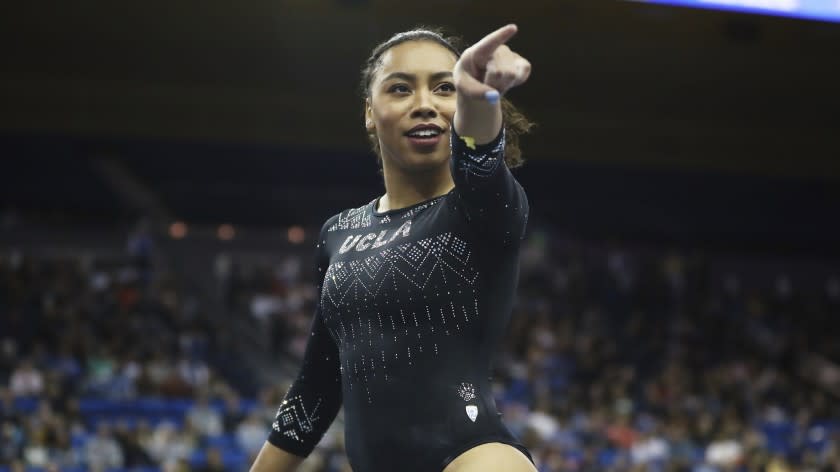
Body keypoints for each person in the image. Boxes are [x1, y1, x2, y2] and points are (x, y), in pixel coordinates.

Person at [251, 23, 536, 472]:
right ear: (370, 111)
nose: (424, 105)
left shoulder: (479, 212)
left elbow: (481, 164)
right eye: (400, 89)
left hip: (475, 457)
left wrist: (479, 98)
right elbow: (318, 385)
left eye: (444, 88)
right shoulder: (338, 233)